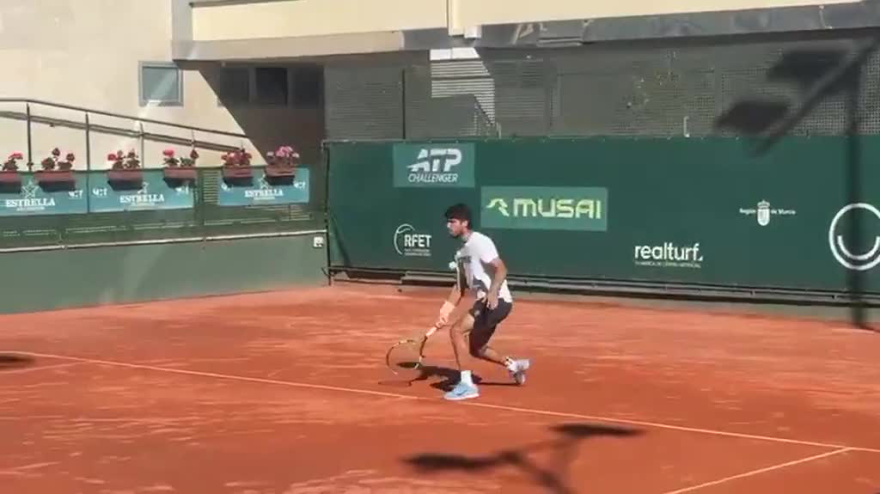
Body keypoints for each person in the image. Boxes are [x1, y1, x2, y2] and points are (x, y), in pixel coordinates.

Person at [434, 203, 530, 401]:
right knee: (476, 348)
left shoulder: (480, 242)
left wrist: (493, 292)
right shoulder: (460, 253)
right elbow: (460, 287)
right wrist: (446, 310)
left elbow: (501, 268)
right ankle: (514, 365)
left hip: (497, 301)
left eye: (452, 221)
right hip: (486, 304)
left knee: (457, 331)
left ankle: (467, 385)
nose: (448, 226)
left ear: (464, 223)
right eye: (448, 222)